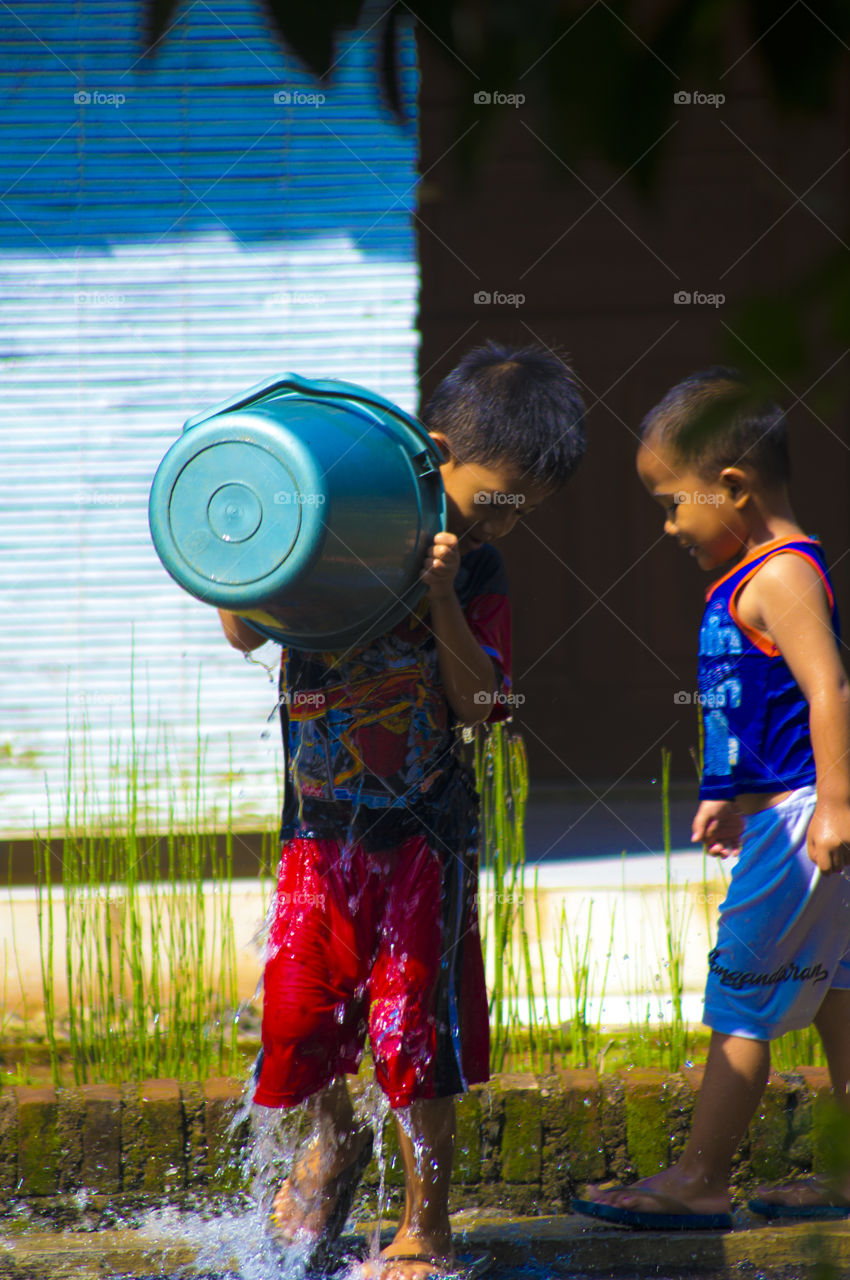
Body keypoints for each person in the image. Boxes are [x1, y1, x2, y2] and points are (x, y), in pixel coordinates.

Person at [219, 342, 587, 1278]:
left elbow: (481, 706)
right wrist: (243, 549)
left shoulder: (476, 574)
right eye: (500, 495)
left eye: (527, 510)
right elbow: (240, 629)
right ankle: (336, 1145)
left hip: (426, 837)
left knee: (410, 1037)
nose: (509, 520)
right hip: (318, 834)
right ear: (434, 452)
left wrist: (440, 599)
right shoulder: (338, 533)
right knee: (299, 1025)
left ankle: (428, 1225)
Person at [573, 368, 850, 1230]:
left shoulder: (782, 575)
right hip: (783, 810)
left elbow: (829, 690)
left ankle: (701, 1178)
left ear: (731, 488)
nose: (666, 525)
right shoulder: (756, 575)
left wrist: (837, 803)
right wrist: (724, 793)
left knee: (740, 998)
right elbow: (749, 702)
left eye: (671, 503)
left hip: (802, 824)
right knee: (838, 994)